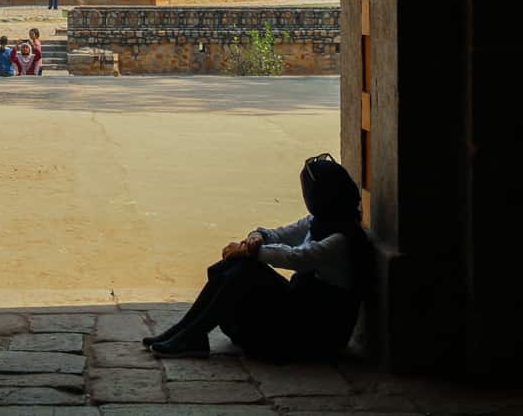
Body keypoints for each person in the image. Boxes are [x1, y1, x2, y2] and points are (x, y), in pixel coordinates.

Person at [143, 153, 369, 363]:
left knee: (244, 271)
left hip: (317, 335)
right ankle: (186, 330)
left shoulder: (343, 238)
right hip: (301, 311)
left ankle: (192, 334)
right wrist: (256, 238)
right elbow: (280, 234)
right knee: (234, 265)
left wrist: (251, 251)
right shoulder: (320, 222)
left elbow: (297, 257)